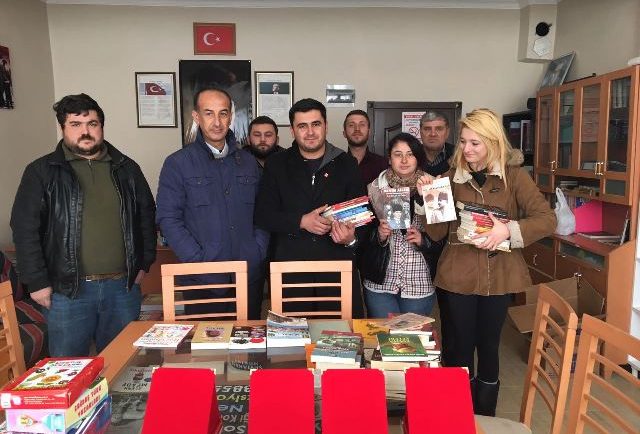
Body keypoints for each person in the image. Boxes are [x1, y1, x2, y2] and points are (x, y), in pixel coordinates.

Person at [418, 108, 556, 416]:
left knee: (489, 347)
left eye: (475, 143)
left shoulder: (515, 176)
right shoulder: (450, 178)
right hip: (458, 276)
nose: (466, 149)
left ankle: (484, 417)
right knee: (460, 347)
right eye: (463, 141)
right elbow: (437, 233)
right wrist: (430, 199)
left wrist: (508, 230)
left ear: (493, 142)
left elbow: (547, 219)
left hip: (500, 276)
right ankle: (458, 415)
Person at [10, 93, 156, 356]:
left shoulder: (127, 168)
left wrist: (144, 263)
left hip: (122, 288)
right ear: (63, 128)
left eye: (92, 124)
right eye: (75, 124)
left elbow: (146, 215)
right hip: (67, 292)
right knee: (69, 367)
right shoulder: (42, 171)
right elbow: (24, 228)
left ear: (101, 126)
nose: (85, 131)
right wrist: (36, 281)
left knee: (121, 362)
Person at [156, 87, 268, 320]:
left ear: (231, 117)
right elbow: (168, 219)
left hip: (248, 276)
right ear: (196, 117)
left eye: (223, 113)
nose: (217, 122)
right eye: (209, 113)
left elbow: (263, 213)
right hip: (202, 280)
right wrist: (198, 261)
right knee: (206, 341)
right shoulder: (178, 163)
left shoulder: (248, 162)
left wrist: (257, 250)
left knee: (249, 339)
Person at [255, 98, 366, 318]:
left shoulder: (347, 163)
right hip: (291, 270)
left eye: (316, 124)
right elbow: (263, 215)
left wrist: (351, 239)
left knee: (340, 334)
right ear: (292, 130)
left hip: (337, 270)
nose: (310, 132)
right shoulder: (277, 164)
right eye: (302, 126)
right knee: (291, 336)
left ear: (326, 126)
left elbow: (362, 217)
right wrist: (301, 221)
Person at [360, 132, 436, 318]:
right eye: (398, 154)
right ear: (389, 158)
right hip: (381, 282)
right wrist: (379, 234)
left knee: (414, 336)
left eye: (410, 154)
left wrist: (424, 240)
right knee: (382, 334)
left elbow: (445, 235)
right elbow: (360, 234)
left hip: (418, 281)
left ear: (418, 158)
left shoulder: (434, 186)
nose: (404, 160)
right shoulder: (374, 189)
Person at [419, 110, 456, 365]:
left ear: (447, 131)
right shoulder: (410, 155)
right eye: (427, 128)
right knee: (418, 316)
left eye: (439, 128)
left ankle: (449, 365)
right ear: (420, 131)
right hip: (417, 246)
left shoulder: (460, 157)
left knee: (451, 313)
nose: (433, 134)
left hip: (450, 247)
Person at [343, 110, 388, 186]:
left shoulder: (384, 165)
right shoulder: (335, 166)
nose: (357, 129)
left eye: (362, 125)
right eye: (351, 125)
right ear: (344, 133)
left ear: (369, 132)